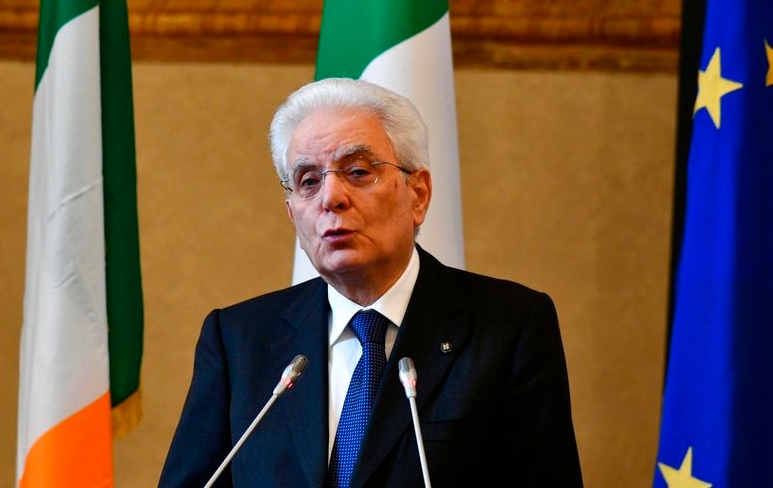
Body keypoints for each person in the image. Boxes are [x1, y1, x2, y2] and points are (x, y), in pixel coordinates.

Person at [158, 77, 584, 487]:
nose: (331, 198)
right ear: (292, 213)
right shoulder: (240, 340)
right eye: (308, 181)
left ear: (417, 194)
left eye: (358, 172)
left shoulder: (509, 327)